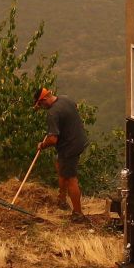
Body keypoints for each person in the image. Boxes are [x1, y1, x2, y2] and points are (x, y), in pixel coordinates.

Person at [32, 86, 90, 222]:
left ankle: (78, 214)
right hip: (79, 139)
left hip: (69, 147)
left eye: (40, 104)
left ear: (45, 99)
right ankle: (62, 199)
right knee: (59, 164)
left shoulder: (52, 113)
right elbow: (73, 110)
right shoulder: (65, 98)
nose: (41, 107)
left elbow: (53, 139)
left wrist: (42, 145)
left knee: (71, 179)